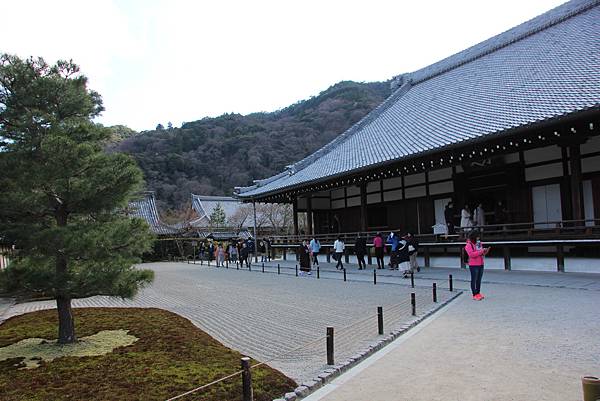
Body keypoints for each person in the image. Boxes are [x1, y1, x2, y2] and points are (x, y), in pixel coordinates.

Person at [465, 231, 490, 301]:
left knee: (479, 279)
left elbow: (481, 253)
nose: (478, 238)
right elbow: (471, 255)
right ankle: (474, 294)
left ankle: (478, 293)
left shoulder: (479, 243)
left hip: (481, 263)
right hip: (473, 265)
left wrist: (485, 251)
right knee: (474, 279)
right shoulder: (468, 245)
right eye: (477, 236)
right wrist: (481, 251)